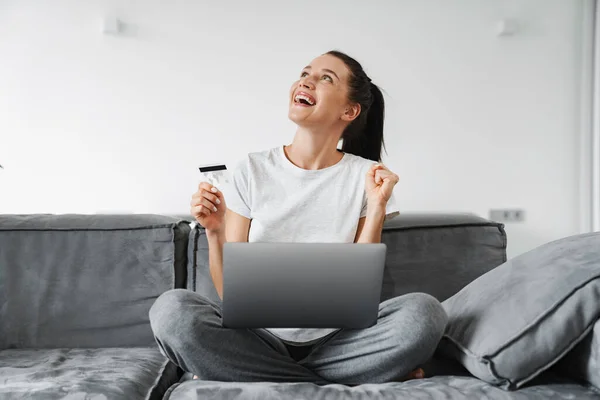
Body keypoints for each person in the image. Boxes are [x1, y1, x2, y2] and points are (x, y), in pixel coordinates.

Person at [149, 50, 448, 385]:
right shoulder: (252, 170)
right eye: (305, 72)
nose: (306, 80)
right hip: (257, 338)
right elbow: (229, 294)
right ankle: (325, 380)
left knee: (425, 314)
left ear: (349, 110)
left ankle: (258, 376)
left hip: (340, 341)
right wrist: (215, 233)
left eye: (325, 78)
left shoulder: (368, 177)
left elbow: (362, 285)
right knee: (172, 312)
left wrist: (377, 206)